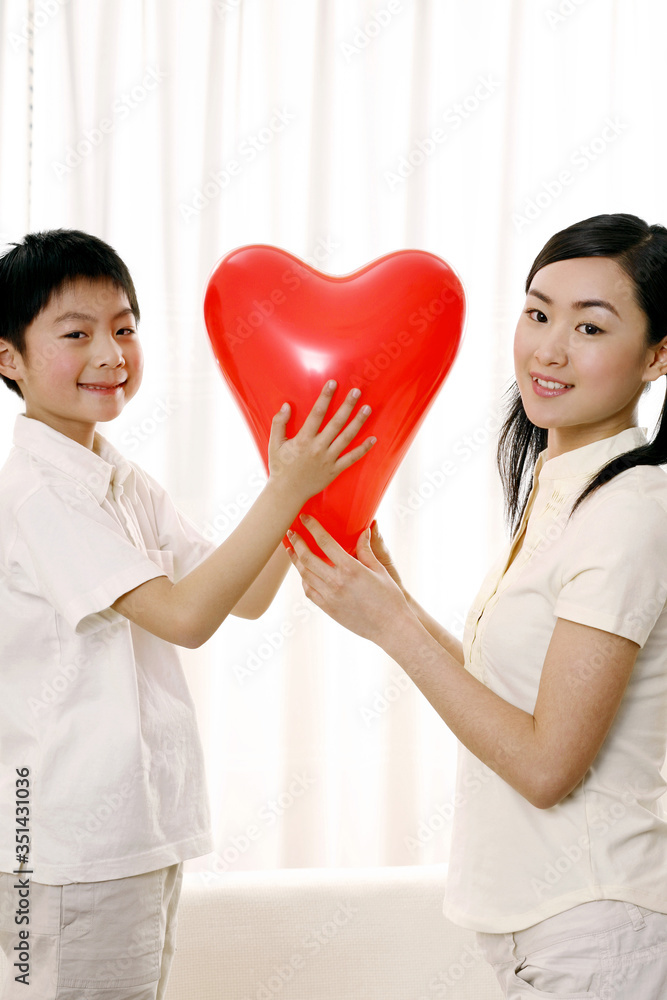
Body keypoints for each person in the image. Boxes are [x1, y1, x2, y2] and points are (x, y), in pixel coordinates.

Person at [288, 213, 667, 997]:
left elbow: (544, 766)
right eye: (537, 313)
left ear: (657, 355)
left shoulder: (632, 510)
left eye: (590, 326)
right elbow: (516, 699)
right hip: (544, 924)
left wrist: (392, 628)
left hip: (598, 922)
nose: (548, 350)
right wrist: (396, 604)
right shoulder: (567, 491)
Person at [0, 228, 375, 1000]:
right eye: (77, 333)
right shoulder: (41, 492)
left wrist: (305, 494)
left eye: (125, 327)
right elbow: (184, 617)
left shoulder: (116, 476)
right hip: (71, 848)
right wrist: (286, 491)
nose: (111, 353)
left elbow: (241, 595)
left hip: (133, 836)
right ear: (9, 358)